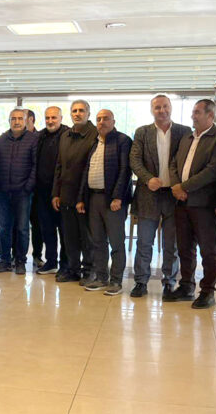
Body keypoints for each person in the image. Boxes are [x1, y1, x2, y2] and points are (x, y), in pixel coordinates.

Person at [166, 99, 216, 309]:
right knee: (184, 248)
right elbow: (174, 163)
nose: (193, 116)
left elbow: (213, 170)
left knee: (208, 250)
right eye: (193, 112)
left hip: (204, 204)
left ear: (211, 115)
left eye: (197, 112)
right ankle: (186, 286)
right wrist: (176, 186)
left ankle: (208, 291)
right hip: (181, 202)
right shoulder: (187, 137)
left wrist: (184, 187)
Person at [129, 95, 191, 298]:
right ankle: (141, 282)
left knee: (171, 244)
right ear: (151, 110)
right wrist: (148, 179)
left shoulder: (184, 132)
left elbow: (188, 161)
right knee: (144, 242)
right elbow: (134, 160)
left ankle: (169, 282)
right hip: (149, 194)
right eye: (157, 107)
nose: (162, 110)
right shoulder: (142, 132)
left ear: (171, 108)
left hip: (174, 195)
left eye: (165, 106)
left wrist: (180, 185)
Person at [77, 109, 132, 295]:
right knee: (98, 241)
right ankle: (101, 277)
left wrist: (118, 197)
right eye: (99, 119)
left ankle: (116, 281)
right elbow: (86, 172)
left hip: (113, 200)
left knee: (116, 242)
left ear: (113, 121)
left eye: (106, 119)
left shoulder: (122, 141)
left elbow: (125, 170)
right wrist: (81, 199)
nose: (101, 122)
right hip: (93, 198)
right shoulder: (94, 143)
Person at [52, 100, 97, 284]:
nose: (77, 114)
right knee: (69, 236)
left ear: (88, 113)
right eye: (74, 111)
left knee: (87, 237)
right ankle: (73, 269)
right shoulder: (65, 135)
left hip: (85, 195)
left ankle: (89, 271)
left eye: (81, 110)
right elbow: (59, 166)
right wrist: (56, 193)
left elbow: (90, 168)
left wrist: (82, 197)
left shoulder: (95, 134)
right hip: (66, 194)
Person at [0, 108, 38, 274]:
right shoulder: (1, 140)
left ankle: (20, 261)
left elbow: (36, 166)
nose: (17, 122)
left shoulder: (33, 139)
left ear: (26, 121)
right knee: (4, 228)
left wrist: (28, 187)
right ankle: (5, 260)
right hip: (2, 192)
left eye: (20, 118)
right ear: (9, 121)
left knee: (22, 229)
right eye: (13, 119)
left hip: (23, 193)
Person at [34, 106, 68, 275]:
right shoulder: (40, 136)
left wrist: (59, 192)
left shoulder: (68, 135)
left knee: (64, 230)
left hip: (62, 192)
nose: (50, 121)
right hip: (42, 191)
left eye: (54, 117)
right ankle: (51, 261)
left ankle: (66, 264)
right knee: (46, 228)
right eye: (47, 118)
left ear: (61, 118)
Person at [25, 108, 44, 267]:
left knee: (37, 224)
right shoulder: (13, 138)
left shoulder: (41, 138)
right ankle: (17, 256)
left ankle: (37, 255)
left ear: (31, 119)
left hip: (37, 190)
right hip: (18, 189)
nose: (18, 121)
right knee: (18, 225)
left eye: (22, 118)